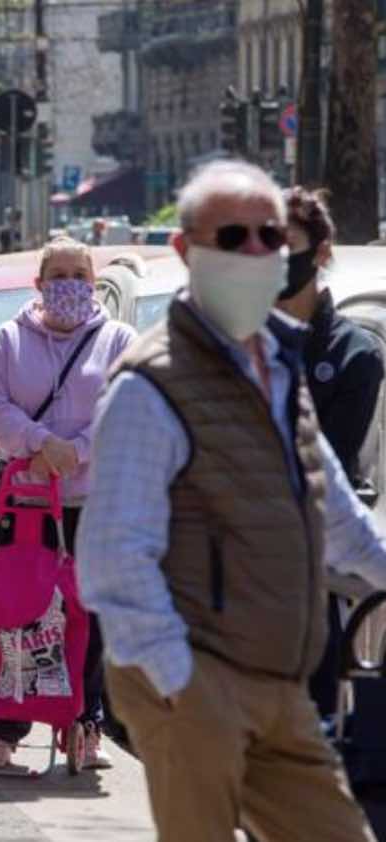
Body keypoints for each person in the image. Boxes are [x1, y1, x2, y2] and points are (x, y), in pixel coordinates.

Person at [77, 159, 386, 842]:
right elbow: (110, 563)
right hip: (193, 682)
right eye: (233, 237)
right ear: (187, 252)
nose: (255, 253)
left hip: (280, 683)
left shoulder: (280, 369)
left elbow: (338, 517)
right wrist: (184, 685)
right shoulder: (146, 386)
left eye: (270, 238)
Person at [0, 236, 137, 768]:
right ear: (40, 283)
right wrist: (39, 445)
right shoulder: (9, 338)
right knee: (21, 612)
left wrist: (77, 453)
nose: (68, 284)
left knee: (87, 619)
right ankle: (4, 729)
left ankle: (85, 722)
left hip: (92, 502)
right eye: (58, 274)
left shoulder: (118, 339)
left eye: (78, 275)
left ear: (93, 283)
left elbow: (128, 407)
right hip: (26, 503)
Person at [274, 187, 385, 722]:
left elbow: (329, 480)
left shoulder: (353, 355)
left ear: (319, 253)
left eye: (285, 244)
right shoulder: (227, 344)